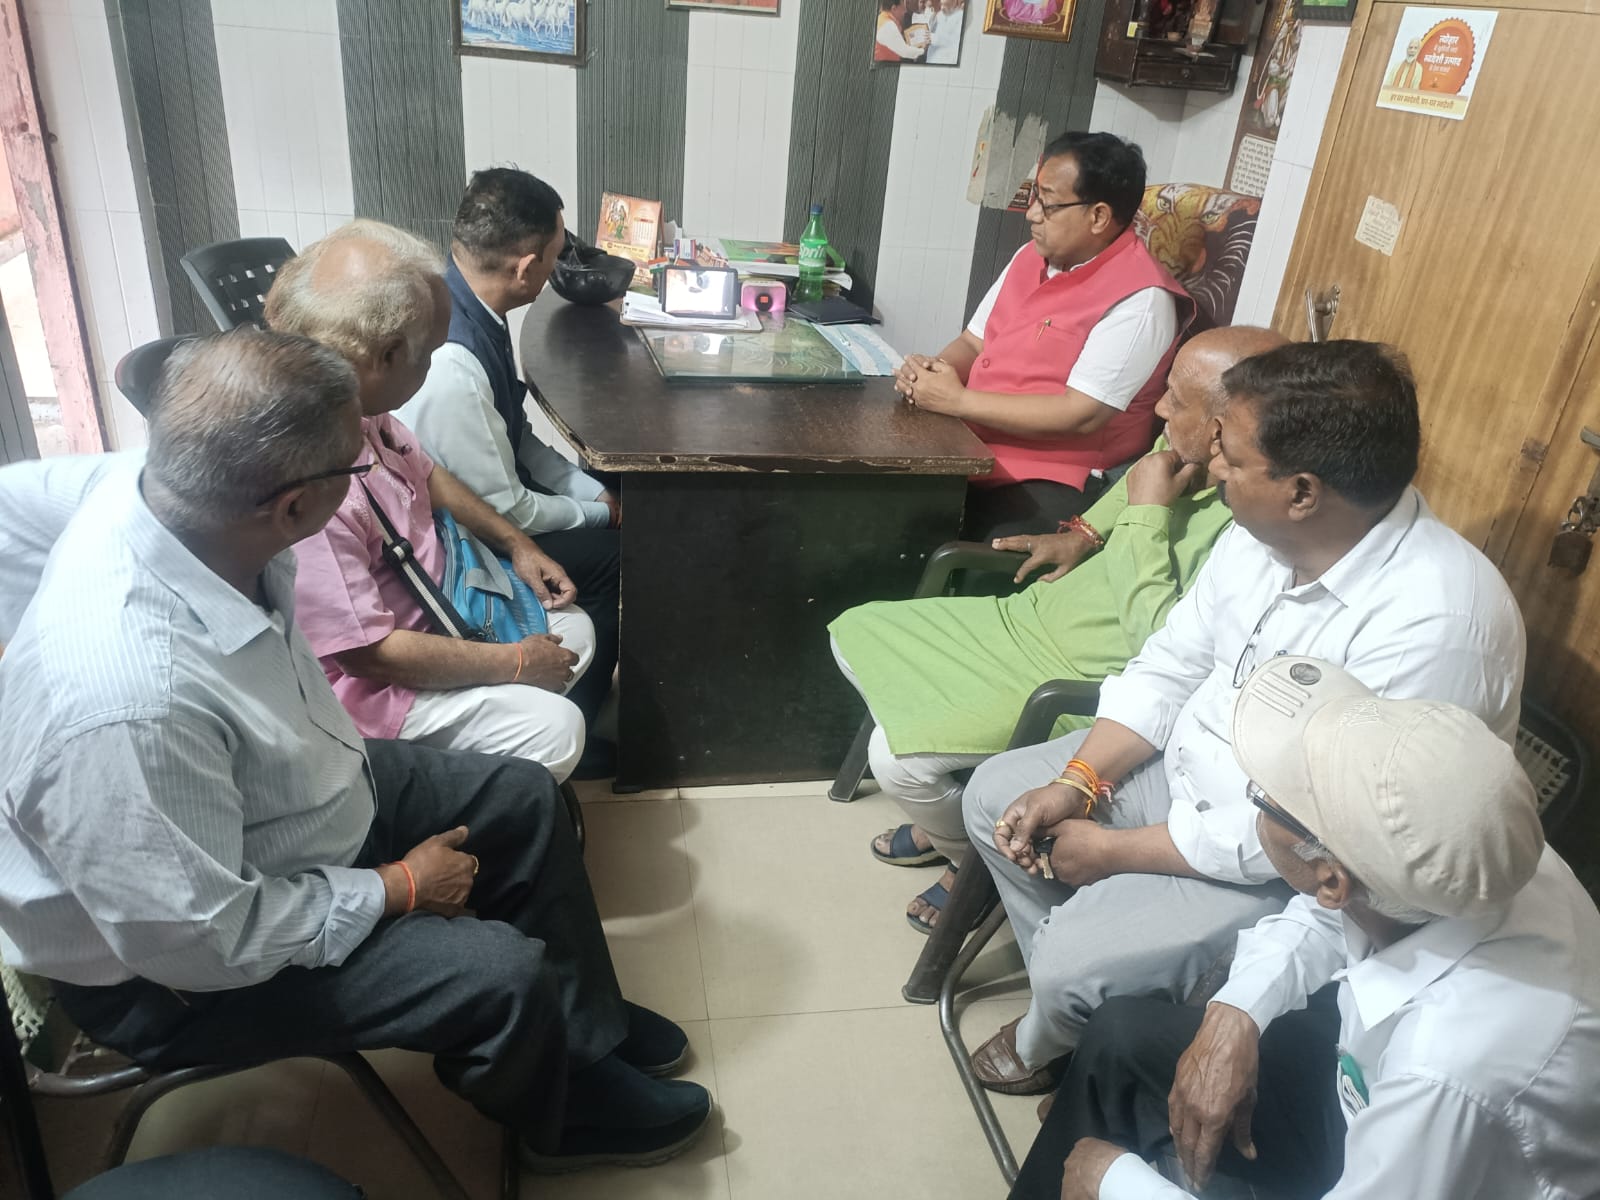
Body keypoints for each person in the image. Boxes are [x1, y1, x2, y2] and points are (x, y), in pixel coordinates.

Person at [0, 329, 711, 1171]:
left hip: (291, 792)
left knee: (521, 796)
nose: (369, 468)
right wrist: (396, 887)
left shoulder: (152, 487)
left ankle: (585, 1038)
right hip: (178, 976)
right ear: (296, 508)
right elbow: (203, 942)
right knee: (496, 972)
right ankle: (562, 1120)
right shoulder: (129, 703)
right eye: (356, 463)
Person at [962, 339, 1527, 1095]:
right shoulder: (1262, 534)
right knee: (995, 801)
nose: (1212, 466)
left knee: (1073, 961)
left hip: (1285, 863)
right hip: (1185, 777)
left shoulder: (1436, 626)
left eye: (1230, 456)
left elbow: (1321, 839)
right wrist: (1079, 780)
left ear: (1302, 491)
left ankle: (1065, 1027)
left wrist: (1118, 851)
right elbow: (1173, 662)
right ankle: (1101, 1015)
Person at [1014, 657, 1600, 1200]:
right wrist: (1237, 1012)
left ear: (1331, 876)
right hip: (1362, 1075)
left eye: (1266, 797)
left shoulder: (1445, 1070)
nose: (1257, 801)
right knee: (1120, 1037)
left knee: (1098, 1165)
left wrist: (1116, 1182)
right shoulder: (1475, 856)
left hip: (1421, 1155)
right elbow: (1332, 912)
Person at [830, 327, 1286, 931]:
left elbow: (1163, 644)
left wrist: (1148, 515)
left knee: (896, 762)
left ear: (1225, 428)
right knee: (853, 631)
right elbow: (1131, 489)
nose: (1158, 409)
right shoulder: (1180, 451)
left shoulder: (1249, 522)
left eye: (1176, 400)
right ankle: (951, 822)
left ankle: (968, 861)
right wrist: (1084, 533)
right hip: (1029, 618)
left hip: (1076, 678)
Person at [265, 219, 596, 784]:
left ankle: (496, 762)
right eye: (431, 354)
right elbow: (367, 654)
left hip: (441, 599)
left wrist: (518, 545)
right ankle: (456, 790)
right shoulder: (313, 487)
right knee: (558, 728)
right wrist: (516, 663)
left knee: (575, 631)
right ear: (388, 356)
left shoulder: (352, 403)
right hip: (379, 685)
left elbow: (427, 472)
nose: (436, 365)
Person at [396, 169, 622, 771]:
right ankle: (580, 721)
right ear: (526, 268)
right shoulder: (453, 364)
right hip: (456, 537)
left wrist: (593, 491)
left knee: (609, 501)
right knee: (613, 560)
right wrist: (599, 515)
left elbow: (518, 436)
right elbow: (506, 510)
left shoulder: (474, 305)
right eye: (556, 254)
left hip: (479, 498)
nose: (558, 266)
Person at [896, 131, 1191, 540]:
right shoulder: (1031, 257)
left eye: (1048, 204)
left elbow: (1081, 414)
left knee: (930, 537)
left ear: (1098, 217)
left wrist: (957, 400)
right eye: (1035, 196)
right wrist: (930, 374)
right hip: (978, 441)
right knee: (883, 502)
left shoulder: (1142, 300)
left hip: (1056, 476)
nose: (1032, 214)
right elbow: (973, 343)